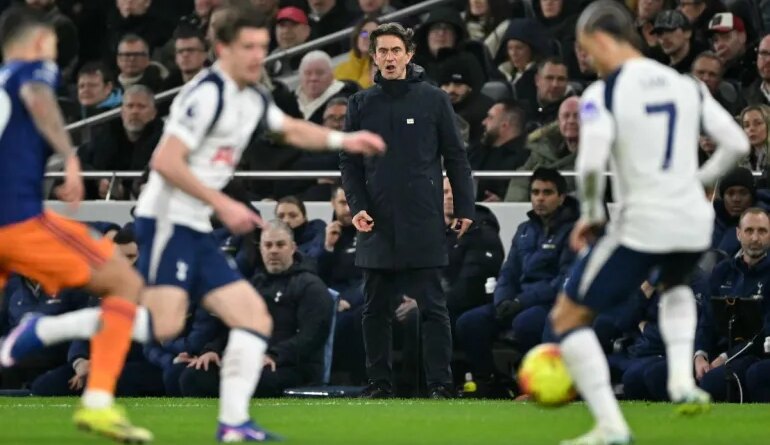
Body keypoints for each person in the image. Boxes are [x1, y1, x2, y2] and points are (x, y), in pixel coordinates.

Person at [2, 3, 385, 442]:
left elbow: (291, 130)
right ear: (222, 49)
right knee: (165, 324)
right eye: (248, 47)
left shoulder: (252, 94)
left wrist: (344, 138)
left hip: (193, 227)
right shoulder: (206, 95)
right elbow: (164, 161)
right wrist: (220, 204)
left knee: (250, 319)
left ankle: (234, 423)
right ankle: (47, 328)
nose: (258, 54)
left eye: (262, 46)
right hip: (165, 223)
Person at [549, 2, 749, 444]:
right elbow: (735, 143)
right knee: (674, 287)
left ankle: (610, 425)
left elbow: (589, 163)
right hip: (692, 220)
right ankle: (680, 380)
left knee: (567, 316)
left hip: (645, 220)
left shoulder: (606, 93)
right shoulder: (686, 84)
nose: (589, 60)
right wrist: (698, 180)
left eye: (587, 50)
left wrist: (591, 213)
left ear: (602, 39)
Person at [0, 7, 152, 442]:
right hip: (17, 223)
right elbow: (40, 98)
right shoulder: (31, 71)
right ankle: (96, 402)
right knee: (122, 283)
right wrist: (69, 158)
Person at [340, 22, 475, 399]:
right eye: (382, 51)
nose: (389, 57)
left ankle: (439, 385)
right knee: (374, 310)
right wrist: (357, 207)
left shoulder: (434, 100)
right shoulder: (360, 103)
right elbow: (349, 164)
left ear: (409, 54)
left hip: (423, 219)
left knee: (434, 307)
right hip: (376, 221)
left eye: (395, 50)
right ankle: (379, 384)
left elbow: (456, 156)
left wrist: (464, 206)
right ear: (375, 57)